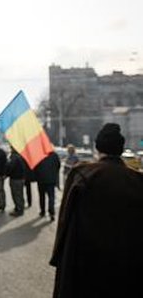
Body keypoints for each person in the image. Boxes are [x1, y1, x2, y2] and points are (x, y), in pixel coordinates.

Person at [50, 123, 143, 297]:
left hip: (88, 262)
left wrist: (59, 257)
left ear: (97, 147)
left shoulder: (82, 174)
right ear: (121, 149)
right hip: (129, 263)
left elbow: (65, 221)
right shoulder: (137, 180)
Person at [35, 151, 60, 221]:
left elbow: (35, 167)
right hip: (51, 180)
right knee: (51, 197)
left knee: (42, 196)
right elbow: (58, 166)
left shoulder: (39, 154)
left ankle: (42, 211)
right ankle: (51, 213)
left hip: (41, 179)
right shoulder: (55, 155)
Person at [6, 147, 26, 216]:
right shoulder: (21, 155)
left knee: (16, 194)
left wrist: (6, 174)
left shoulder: (14, 157)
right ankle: (20, 208)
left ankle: (19, 210)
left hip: (15, 178)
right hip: (20, 178)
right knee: (20, 194)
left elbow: (11, 167)